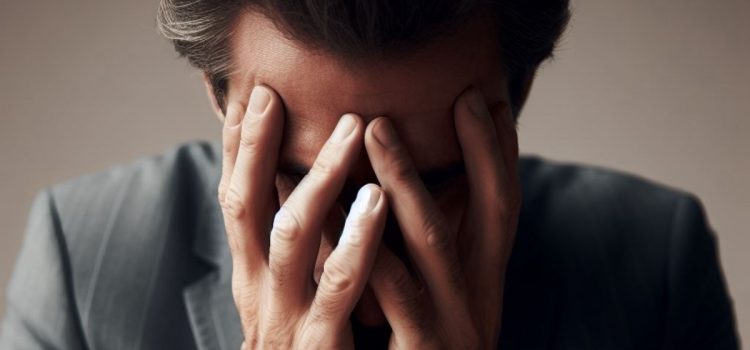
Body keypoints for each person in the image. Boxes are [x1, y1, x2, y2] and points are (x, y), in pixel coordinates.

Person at [0, 0, 740, 349]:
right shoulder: (85, 263)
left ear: (514, 99)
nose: (357, 260)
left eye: (432, 180)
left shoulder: (655, 271)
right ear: (219, 98)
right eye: (300, 176)